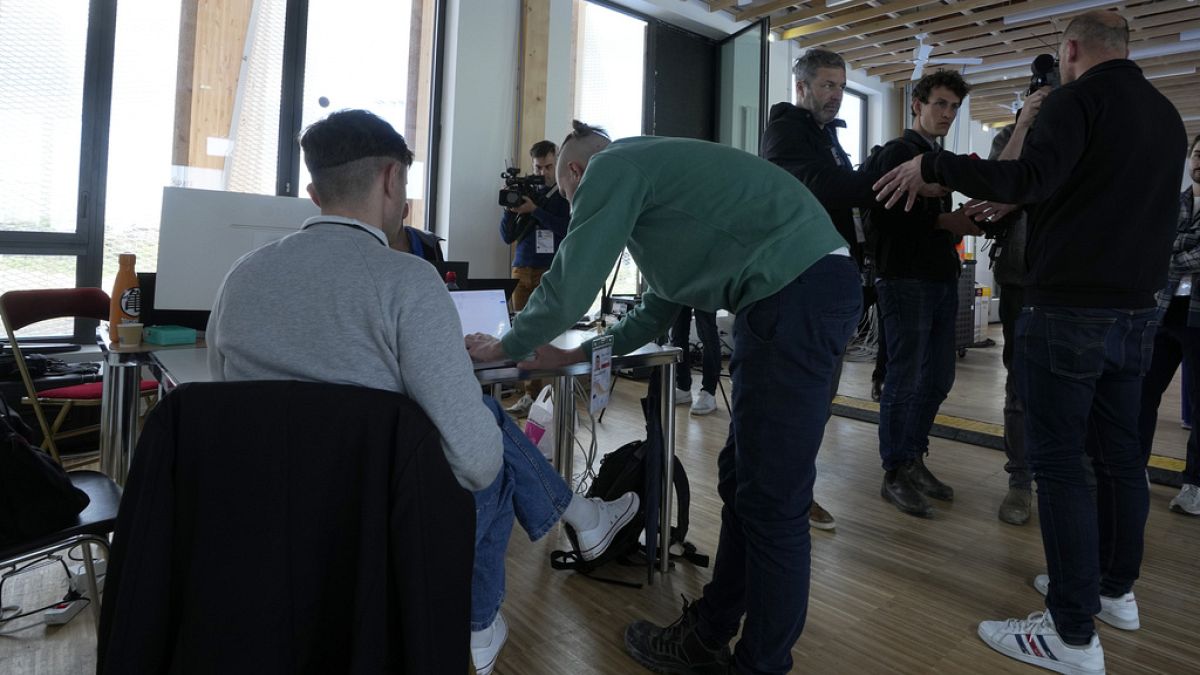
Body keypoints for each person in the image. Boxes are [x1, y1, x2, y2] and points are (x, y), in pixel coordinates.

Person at [205, 110, 637, 675]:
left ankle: (570, 530)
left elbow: (223, 399)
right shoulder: (407, 281)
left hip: (267, 516)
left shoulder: (240, 278)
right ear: (392, 182)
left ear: (314, 193)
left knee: (479, 423)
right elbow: (479, 465)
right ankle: (481, 623)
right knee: (487, 447)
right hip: (381, 514)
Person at [467, 121, 859, 675]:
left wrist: (509, 344)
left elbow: (573, 278)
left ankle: (757, 664)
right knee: (745, 483)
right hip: (800, 293)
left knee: (772, 503)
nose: (576, 210)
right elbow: (655, 310)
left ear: (576, 171)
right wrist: (568, 356)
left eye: (568, 197)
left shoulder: (611, 167)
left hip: (792, 296)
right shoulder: (661, 188)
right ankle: (710, 632)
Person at [874, 12, 1187, 674]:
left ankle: (1071, 633)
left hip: (1070, 309)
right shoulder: (1164, 116)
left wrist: (935, 165)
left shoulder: (1078, 99)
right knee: (1120, 457)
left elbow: (1027, 178)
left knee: (1063, 464)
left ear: (1071, 50)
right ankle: (1112, 590)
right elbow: (1081, 195)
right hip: (1137, 313)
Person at [759, 47, 946, 531]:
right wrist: (895, 179)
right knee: (803, 400)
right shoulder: (787, 128)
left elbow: (845, 190)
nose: (837, 96)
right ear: (801, 87)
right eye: (827, 85)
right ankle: (785, 497)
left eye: (841, 86)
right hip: (801, 281)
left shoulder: (822, 136)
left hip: (830, 280)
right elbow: (827, 186)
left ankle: (793, 493)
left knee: (819, 399)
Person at [870, 70, 980, 518]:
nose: (947, 114)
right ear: (916, 104)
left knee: (937, 379)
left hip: (937, 278)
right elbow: (884, 215)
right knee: (905, 378)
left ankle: (913, 459)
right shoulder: (898, 153)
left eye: (954, 107)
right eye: (940, 104)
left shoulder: (936, 156)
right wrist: (947, 222)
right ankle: (895, 471)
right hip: (905, 280)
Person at [987, 86, 1050, 526]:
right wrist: (1025, 124)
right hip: (1020, 275)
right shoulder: (1012, 134)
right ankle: (1020, 480)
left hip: (1074, 276)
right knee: (1020, 384)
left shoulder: (1083, 133)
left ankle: (1063, 474)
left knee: (1076, 381)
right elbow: (996, 183)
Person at [1139, 132, 1200, 516]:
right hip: (1163, 313)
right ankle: (1134, 468)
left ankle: (1194, 484)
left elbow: (1179, 256)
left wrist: (1171, 251)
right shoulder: (1175, 202)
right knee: (1142, 394)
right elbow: (1151, 245)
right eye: (1198, 153)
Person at [499, 140, 571, 416]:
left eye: (549, 166)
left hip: (548, 270)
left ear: (557, 162)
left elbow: (565, 228)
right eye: (539, 167)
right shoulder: (524, 192)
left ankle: (546, 394)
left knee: (547, 333)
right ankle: (528, 393)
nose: (543, 172)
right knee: (523, 331)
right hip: (521, 268)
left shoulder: (563, 195)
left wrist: (535, 211)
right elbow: (507, 237)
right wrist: (510, 208)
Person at [671, 307, 722, 416]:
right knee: (677, 334)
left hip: (705, 290)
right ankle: (682, 387)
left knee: (707, 333)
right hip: (680, 290)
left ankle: (709, 392)